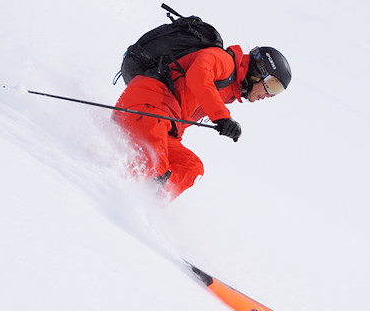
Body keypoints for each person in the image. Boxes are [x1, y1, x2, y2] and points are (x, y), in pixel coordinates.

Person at [113, 45, 291, 199]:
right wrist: (222, 117)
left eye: (277, 91)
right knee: (154, 168)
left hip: (163, 123)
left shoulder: (229, 91)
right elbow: (198, 75)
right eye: (272, 85)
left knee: (190, 167)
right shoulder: (222, 60)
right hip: (147, 105)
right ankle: (118, 197)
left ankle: (149, 205)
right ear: (259, 71)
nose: (269, 95)